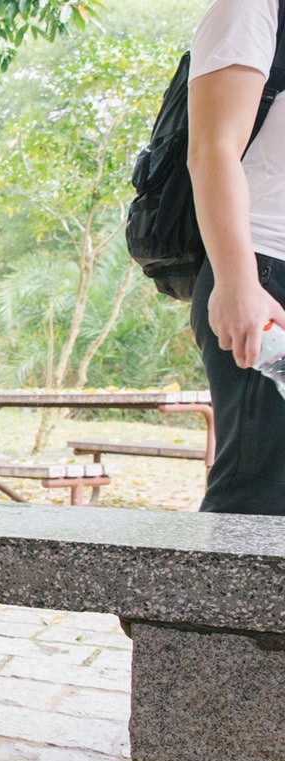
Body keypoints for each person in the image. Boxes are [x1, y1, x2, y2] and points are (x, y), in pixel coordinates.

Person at [188, 0, 285, 514]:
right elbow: (212, 146)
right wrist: (237, 280)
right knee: (260, 499)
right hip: (266, 276)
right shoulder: (255, 6)